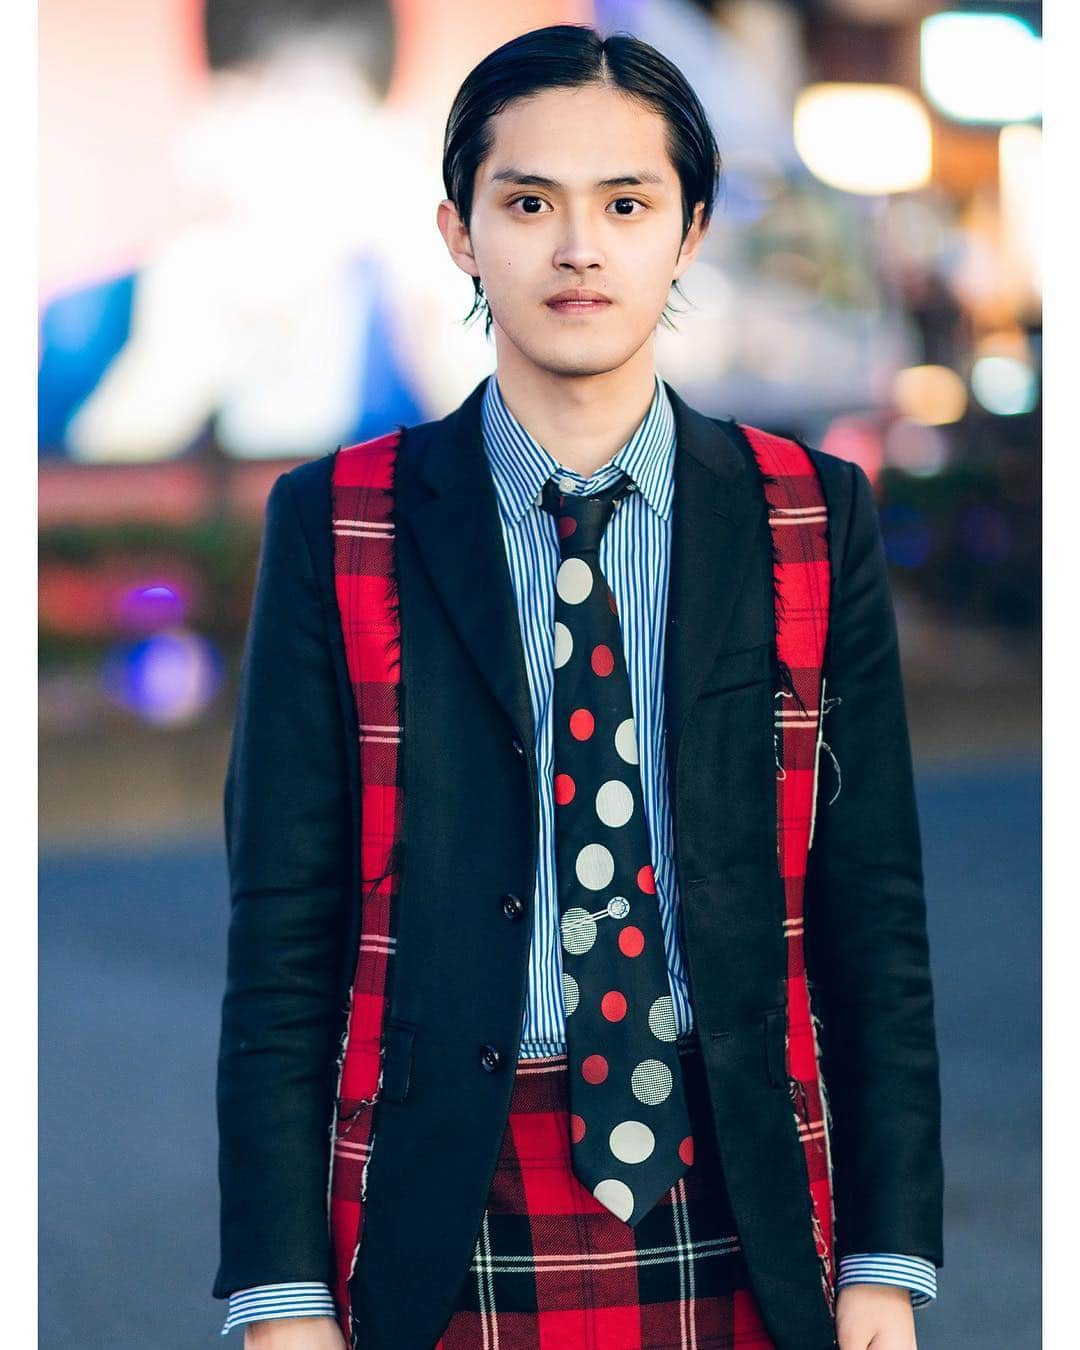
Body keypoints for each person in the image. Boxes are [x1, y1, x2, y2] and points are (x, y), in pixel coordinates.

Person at [213, 23, 944, 1350]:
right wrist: (278, 1293)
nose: (578, 246)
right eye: (529, 201)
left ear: (691, 227)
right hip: (443, 1197)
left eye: (626, 202)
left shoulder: (805, 515)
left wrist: (888, 1258)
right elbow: (280, 942)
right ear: (458, 230)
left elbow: (873, 917)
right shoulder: (339, 520)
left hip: (745, 1184)